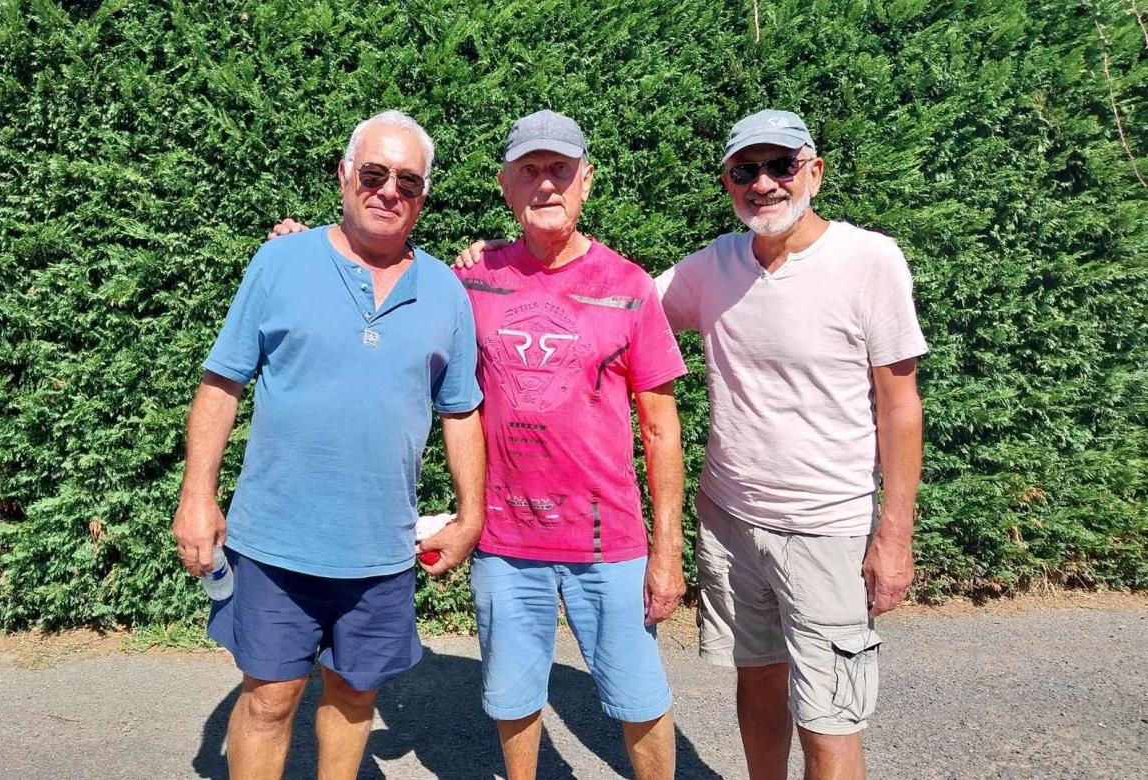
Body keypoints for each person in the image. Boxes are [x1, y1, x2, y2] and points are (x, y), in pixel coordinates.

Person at [460, 107, 926, 780]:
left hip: (826, 523)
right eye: (745, 171)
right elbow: (604, 311)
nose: (763, 183)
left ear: (814, 172)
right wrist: (478, 258)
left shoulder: (869, 260)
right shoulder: (714, 266)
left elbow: (900, 405)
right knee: (757, 683)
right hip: (732, 519)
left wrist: (895, 532)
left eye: (780, 166)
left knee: (828, 715)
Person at [270, 109, 689, 780]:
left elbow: (662, 430)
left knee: (639, 699)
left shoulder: (629, 286)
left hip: (606, 540)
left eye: (560, 170)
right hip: (505, 539)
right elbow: (383, 285)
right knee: (513, 700)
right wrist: (309, 249)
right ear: (504, 185)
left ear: (586, 181)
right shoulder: (471, 277)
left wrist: (667, 551)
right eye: (530, 170)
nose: (545, 184)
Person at [172, 110, 487, 780]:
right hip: (275, 543)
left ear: (423, 195)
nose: (388, 191)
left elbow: (461, 410)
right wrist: (197, 496)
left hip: (380, 549)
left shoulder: (445, 291)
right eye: (373, 174)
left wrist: (471, 516)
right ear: (345, 175)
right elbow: (222, 383)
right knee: (269, 699)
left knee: (353, 698)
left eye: (407, 181)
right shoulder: (281, 261)